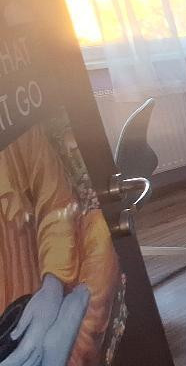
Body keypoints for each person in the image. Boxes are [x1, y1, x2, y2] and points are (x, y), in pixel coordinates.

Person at [0, 123, 120, 366]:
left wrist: (52, 289)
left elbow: (56, 202)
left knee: (100, 233)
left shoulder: (20, 129)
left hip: (50, 278)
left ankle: (61, 329)